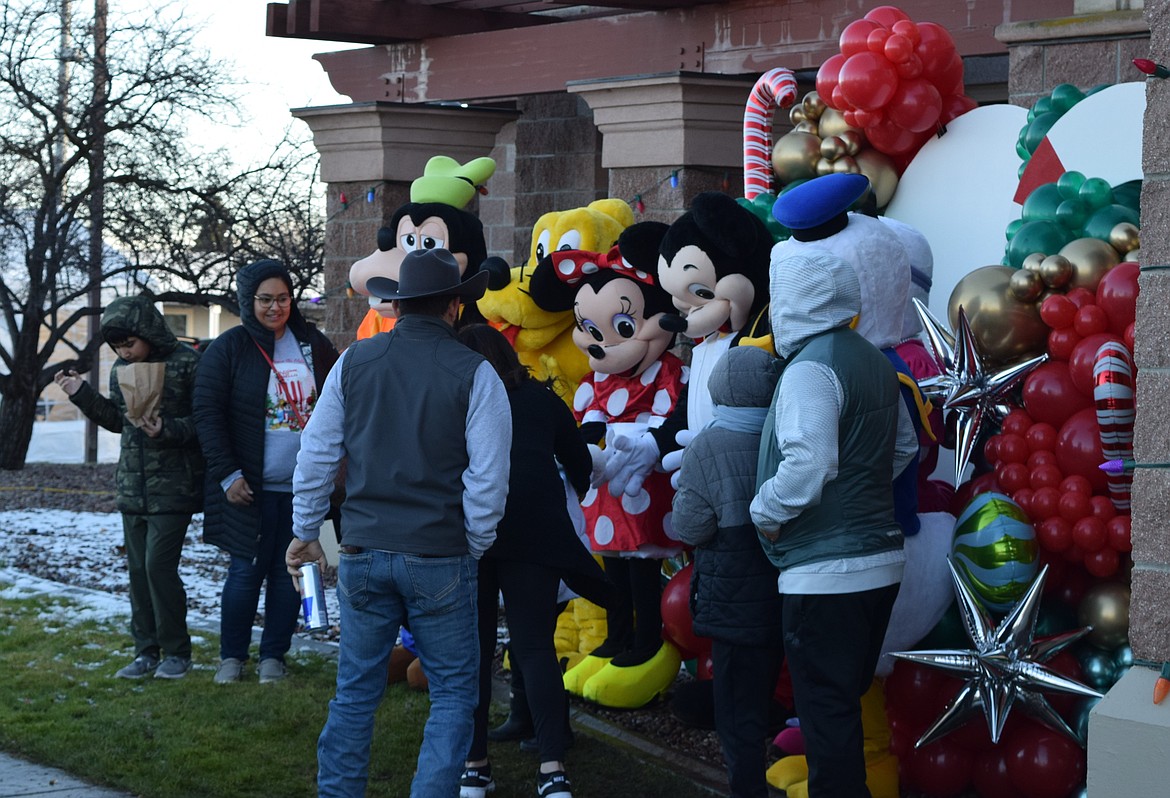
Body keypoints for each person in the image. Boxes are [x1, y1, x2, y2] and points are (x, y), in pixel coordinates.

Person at [285, 248, 511, 798]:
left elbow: (316, 454)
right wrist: (474, 542)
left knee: (355, 692)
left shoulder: (355, 362)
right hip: (441, 554)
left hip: (363, 551)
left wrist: (305, 530)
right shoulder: (477, 372)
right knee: (455, 694)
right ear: (455, 307)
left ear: (399, 307)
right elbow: (488, 480)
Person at [751, 251, 909, 798]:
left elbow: (810, 462)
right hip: (882, 563)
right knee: (843, 707)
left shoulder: (810, 368)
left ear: (788, 301)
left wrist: (764, 512)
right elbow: (904, 448)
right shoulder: (875, 360)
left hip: (823, 572)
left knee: (828, 719)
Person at [455, 323, 613, 798]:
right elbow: (579, 462)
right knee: (536, 649)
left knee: (474, 654)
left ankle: (475, 766)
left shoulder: (457, 401)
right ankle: (552, 769)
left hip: (469, 536)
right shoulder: (541, 399)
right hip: (536, 536)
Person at [193, 259, 339, 685]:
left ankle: (274, 656)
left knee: (295, 572)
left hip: (305, 489)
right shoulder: (231, 347)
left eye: (283, 298)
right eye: (265, 300)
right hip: (250, 488)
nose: (275, 307)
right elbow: (207, 413)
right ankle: (232, 658)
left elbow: (340, 394)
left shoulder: (311, 342)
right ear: (248, 300)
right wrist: (227, 474)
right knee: (245, 572)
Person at [54, 295, 203, 680]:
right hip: (132, 488)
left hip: (174, 486)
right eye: (118, 346)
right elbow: (118, 421)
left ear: (147, 331)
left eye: (129, 344)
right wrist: (79, 393)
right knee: (138, 571)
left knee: (158, 568)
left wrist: (167, 429)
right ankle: (146, 651)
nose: (125, 352)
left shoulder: (187, 362)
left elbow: (206, 422)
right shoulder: (121, 368)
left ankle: (177, 651)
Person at [672, 345, 786, 798]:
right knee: (766, 693)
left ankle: (748, 790)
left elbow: (690, 524)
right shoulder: (785, 436)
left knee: (735, 712)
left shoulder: (708, 444)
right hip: (781, 589)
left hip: (732, 596)